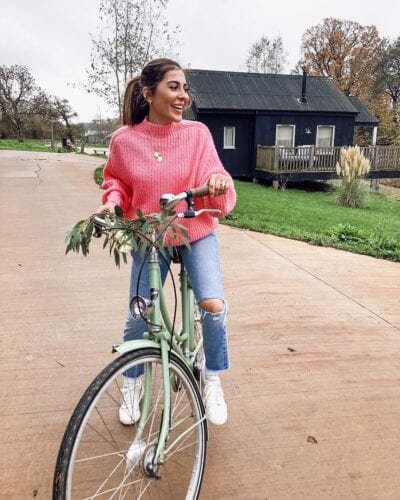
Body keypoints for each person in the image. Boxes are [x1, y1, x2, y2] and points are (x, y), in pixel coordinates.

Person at [97, 58, 236, 426]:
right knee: (138, 311)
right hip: (151, 232)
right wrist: (111, 203)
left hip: (194, 230)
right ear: (149, 93)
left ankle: (211, 378)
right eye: (174, 87)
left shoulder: (197, 134)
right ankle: (132, 382)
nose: (183, 96)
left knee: (213, 304)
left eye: (184, 88)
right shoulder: (125, 140)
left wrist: (220, 182)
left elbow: (214, 172)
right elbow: (116, 182)